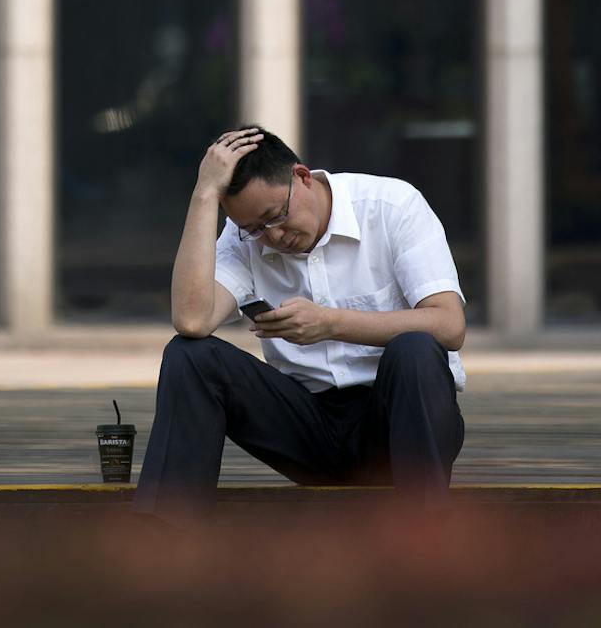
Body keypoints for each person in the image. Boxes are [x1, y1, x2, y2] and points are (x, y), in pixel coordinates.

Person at [131, 126, 468, 515]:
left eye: (275, 216)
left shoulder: (391, 205)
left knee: (416, 346)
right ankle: (166, 539)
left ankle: (427, 539)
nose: (273, 236)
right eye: (255, 229)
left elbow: (449, 325)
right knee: (190, 355)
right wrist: (204, 195)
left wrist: (332, 323)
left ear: (302, 177)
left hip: (402, 423)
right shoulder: (244, 238)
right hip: (309, 427)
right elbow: (191, 320)